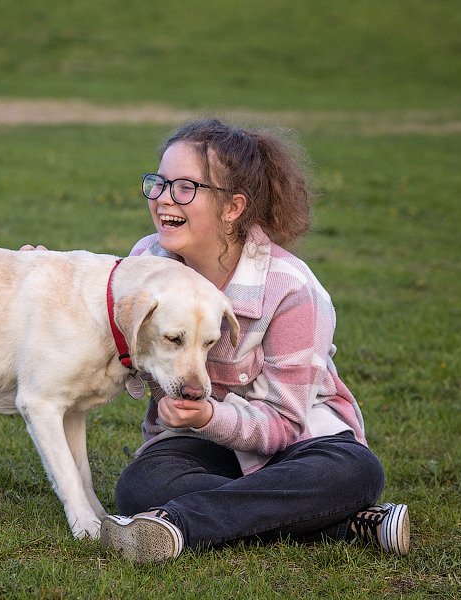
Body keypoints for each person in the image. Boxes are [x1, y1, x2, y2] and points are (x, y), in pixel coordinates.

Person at [93, 118, 411, 563]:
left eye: (185, 187)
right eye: (160, 183)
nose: (164, 197)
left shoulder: (293, 290)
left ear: (232, 208)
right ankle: (338, 523)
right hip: (198, 445)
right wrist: (49, 279)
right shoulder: (148, 262)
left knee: (355, 471)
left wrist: (209, 416)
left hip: (300, 442)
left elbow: (285, 423)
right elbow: (102, 321)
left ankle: (178, 526)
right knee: (140, 486)